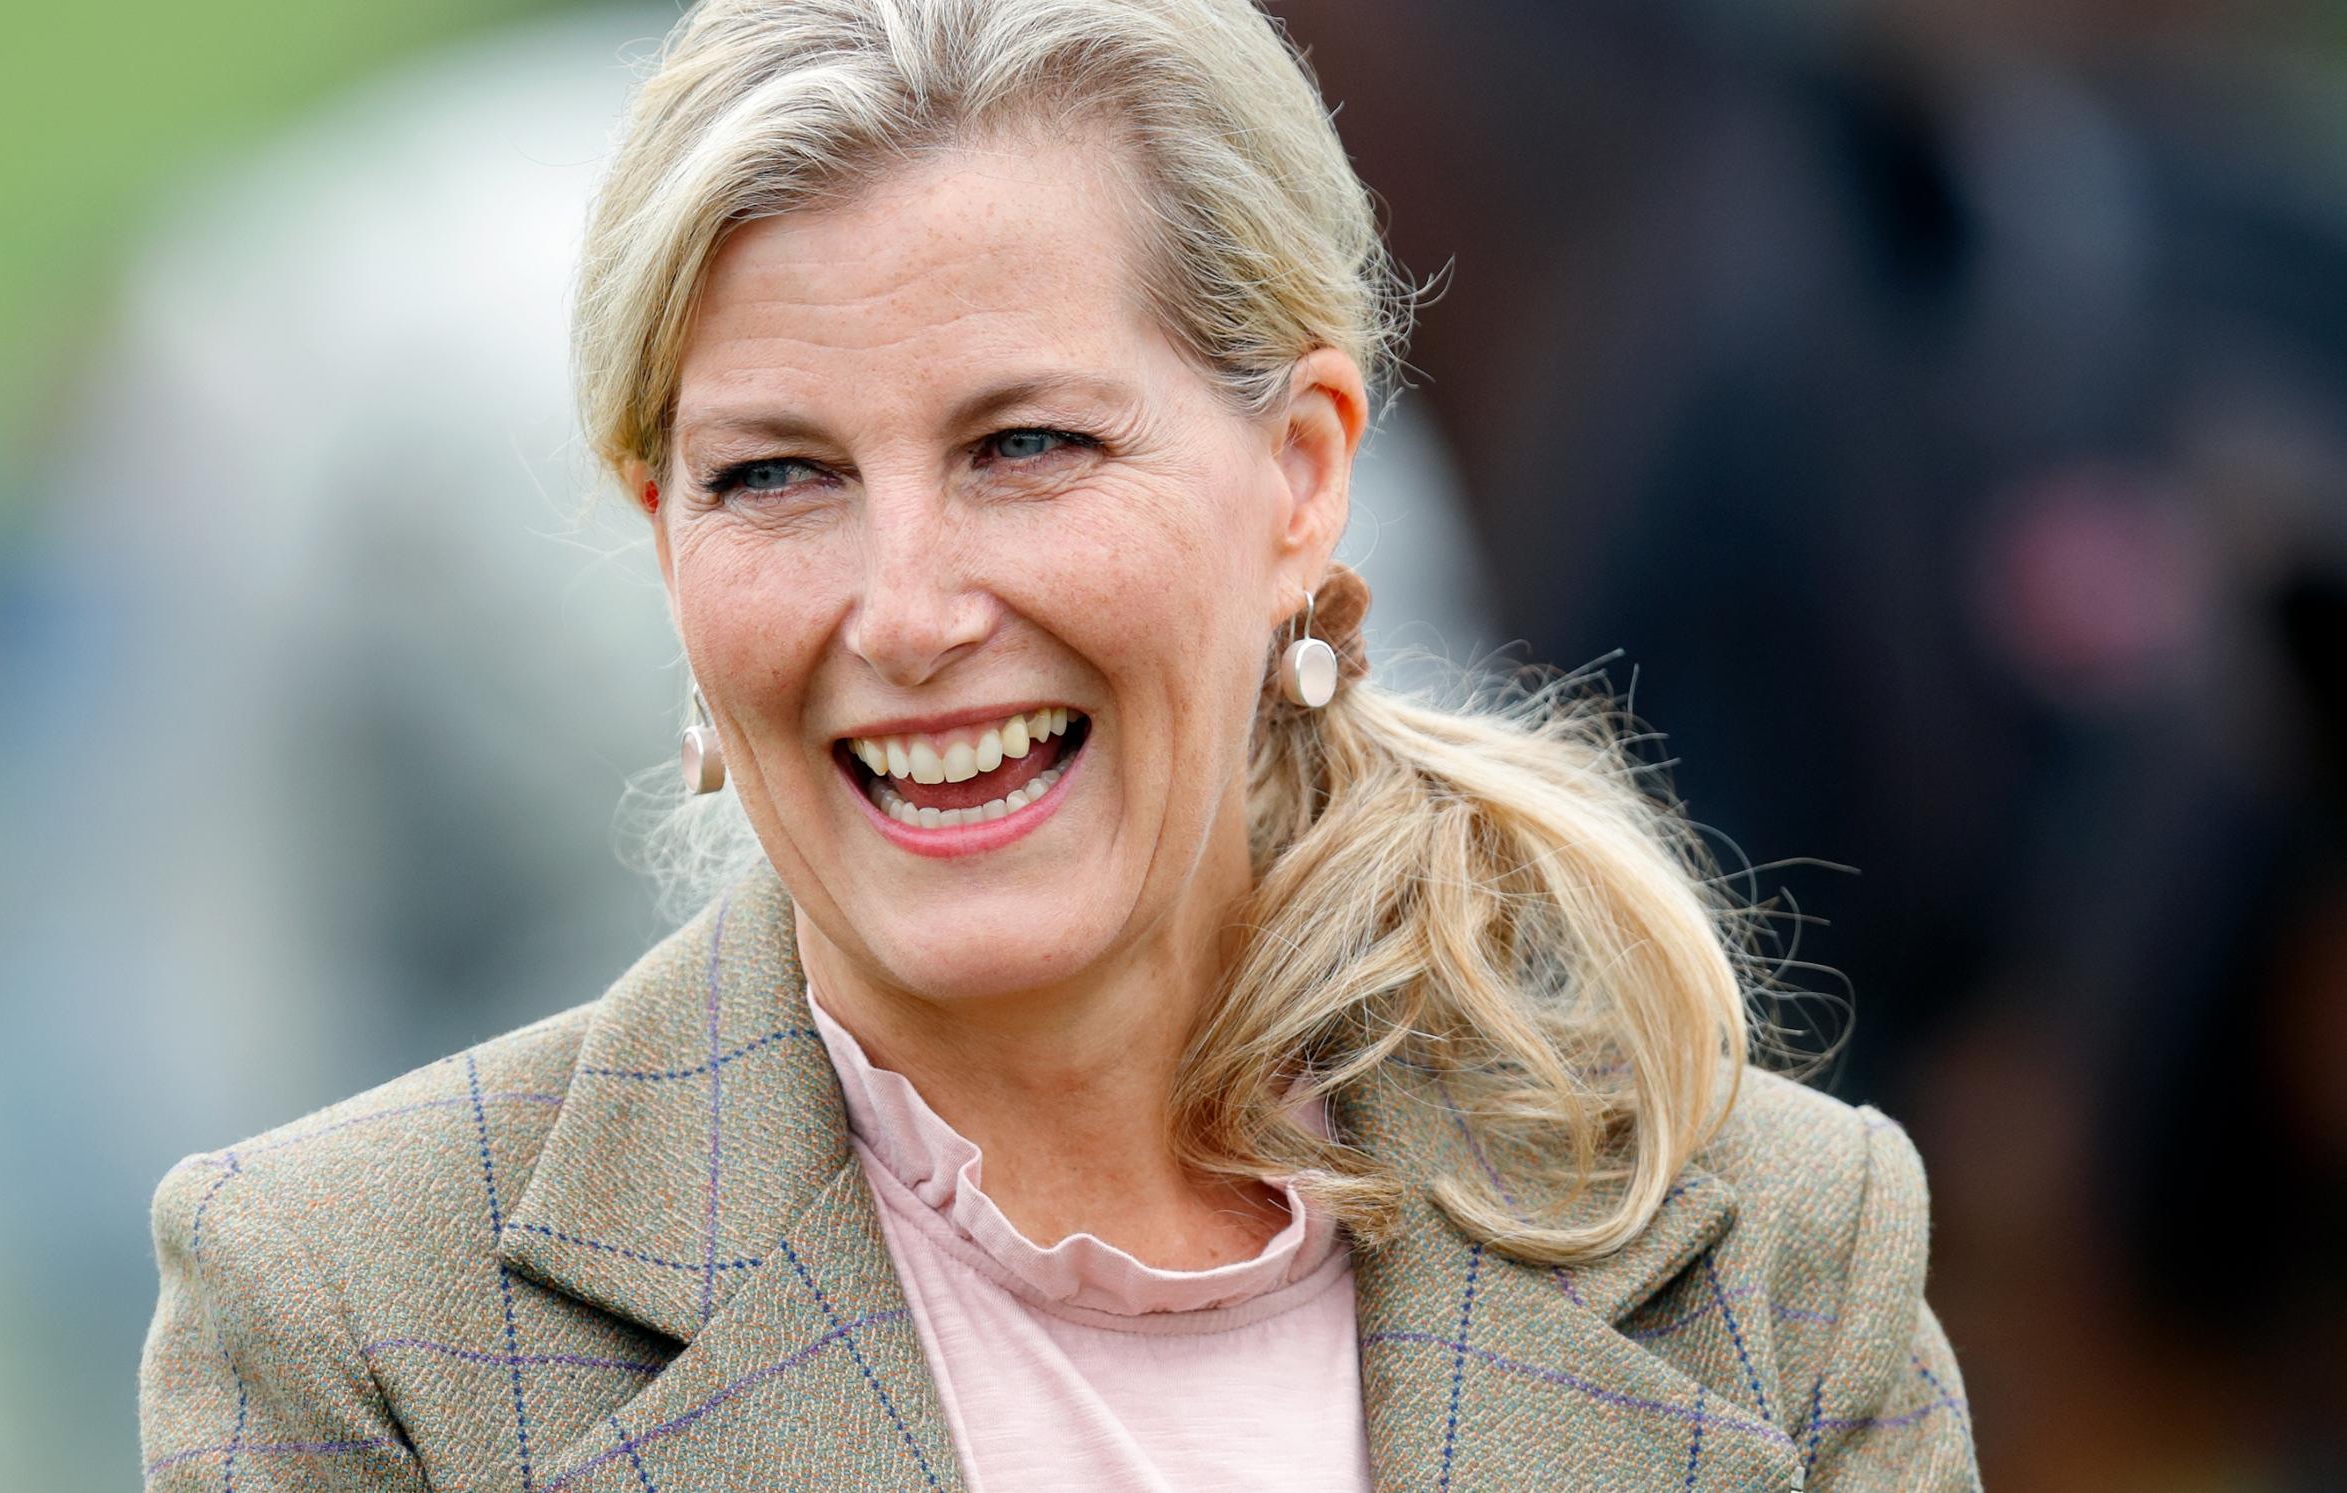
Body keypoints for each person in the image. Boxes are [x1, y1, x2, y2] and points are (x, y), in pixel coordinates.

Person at [137, 0, 1978, 1487]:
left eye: (1028, 447)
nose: (909, 611)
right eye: (775, 477)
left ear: (1301, 473)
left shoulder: (1773, 1257)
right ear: (661, 533)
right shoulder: (358, 1313)